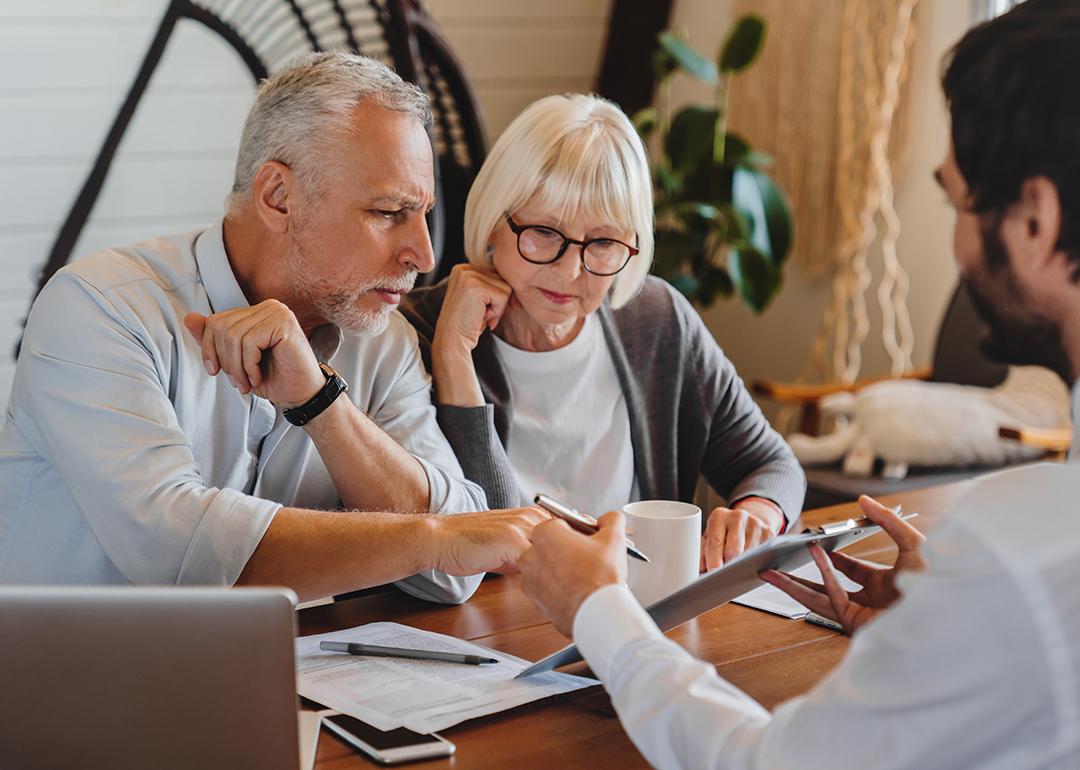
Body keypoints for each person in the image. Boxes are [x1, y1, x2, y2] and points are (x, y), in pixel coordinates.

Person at [517, 2, 1080, 767]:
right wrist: (936, 635)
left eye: (955, 201)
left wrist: (600, 614)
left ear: (1036, 219)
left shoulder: (1022, 550)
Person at [0, 52, 549, 604]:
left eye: (423, 213)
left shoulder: (384, 339)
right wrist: (431, 538)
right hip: (67, 683)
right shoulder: (98, 308)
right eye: (388, 213)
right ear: (277, 197)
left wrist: (322, 404)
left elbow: (455, 575)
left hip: (285, 680)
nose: (424, 254)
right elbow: (180, 558)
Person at [402, 94, 805, 569]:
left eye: (604, 243)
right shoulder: (417, 332)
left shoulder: (654, 319)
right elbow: (479, 543)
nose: (571, 270)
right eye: (545, 233)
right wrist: (453, 358)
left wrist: (757, 512)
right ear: (493, 220)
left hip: (635, 614)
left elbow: (772, 465)